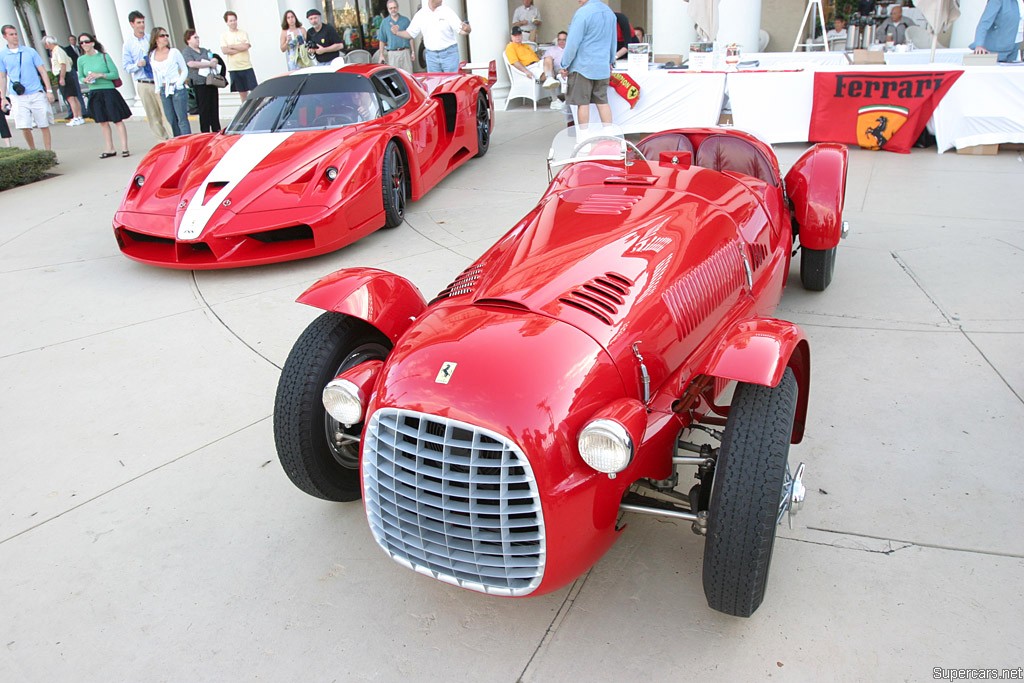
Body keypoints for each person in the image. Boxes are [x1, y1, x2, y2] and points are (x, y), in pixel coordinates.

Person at [559, 0, 616, 126]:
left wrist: (564, 64)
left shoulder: (583, 13)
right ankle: (609, 138)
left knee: (582, 104)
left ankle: (584, 140)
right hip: (602, 66)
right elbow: (613, 41)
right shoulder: (610, 13)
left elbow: (573, 43)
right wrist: (611, 61)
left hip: (583, 67)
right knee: (602, 102)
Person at [0, 25, 56, 151]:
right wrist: (3, 97)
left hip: (36, 92)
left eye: (15, 34)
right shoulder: (3, 55)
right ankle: (33, 150)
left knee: (43, 123)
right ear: (5, 37)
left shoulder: (30, 51)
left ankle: (48, 152)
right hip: (18, 95)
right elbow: (2, 77)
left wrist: (49, 90)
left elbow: (42, 71)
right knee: (24, 125)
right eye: (11, 34)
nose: (15, 36)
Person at [77, 32, 131, 158]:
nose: (84, 44)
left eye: (87, 41)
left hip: (108, 91)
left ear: (93, 42)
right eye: (81, 42)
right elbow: (80, 76)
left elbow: (115, 74)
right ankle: (110, 148)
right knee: (103, 122)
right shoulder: (81, 60)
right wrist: (85, 80)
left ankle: (124, 147)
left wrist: (100, 75)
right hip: (94, 91)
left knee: (117, 119)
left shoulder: (104, 56)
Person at [122, 11, 172, 140]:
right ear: (132, 24)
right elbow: (126, 66)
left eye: (143, 22)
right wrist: (137, 65)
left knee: (167, 113)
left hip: (158, 81)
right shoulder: (128, 44)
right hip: (143, 82)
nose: (142, 25)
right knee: (152, 115)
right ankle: (161, 142)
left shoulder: (151, 39)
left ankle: (173, 139)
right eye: (138, 22)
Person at [392, 0, 471, 73]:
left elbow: (461, 31)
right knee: (434, 84)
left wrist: (467, 29)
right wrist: (397, 33)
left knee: (451, 82)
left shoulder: (447, 11)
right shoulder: (421, 14)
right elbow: (410, 34)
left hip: (449, 54)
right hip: (431, 56)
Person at [149, 27, 190, 137]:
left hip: (176, 87)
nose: (166, 37)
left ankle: (187, 142)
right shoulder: (152, 55)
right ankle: (178, 141)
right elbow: (155, 73)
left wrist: (179, 83)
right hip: (164, 89)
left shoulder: (174, 52)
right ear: (156, 38)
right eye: (162, 35)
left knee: (182, 119)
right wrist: (158, 88)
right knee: (171, 119)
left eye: (167, 35)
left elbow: (184, 69)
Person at [182, 29, 221, 133]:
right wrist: (208, 64)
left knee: (214, 107)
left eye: (197, 37)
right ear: (188, 40)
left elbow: (213, 57)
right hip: (199, 83)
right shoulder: (187, 52)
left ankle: (216, 129)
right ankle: (205, 131)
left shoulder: (204, 50)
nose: (197, 39)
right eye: (195, 37)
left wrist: (214, 60)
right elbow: (191, 64)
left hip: (211, 81)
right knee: (204, 109)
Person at [44, 36, 84, 126]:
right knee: (73, 97)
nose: (46, 46)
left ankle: (76, 117)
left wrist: (62, 78)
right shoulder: (58, 51)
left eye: (46, 44)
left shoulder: (58, 51)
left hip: (64, 75)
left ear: (49, 43)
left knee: (71, 98)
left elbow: (63, 64)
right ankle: (79, 116)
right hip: (67, 74)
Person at [221, 11, 257, 101]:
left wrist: (232, 46)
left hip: (246, 66)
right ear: (227, 22)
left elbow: (246, 46)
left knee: (254, 91)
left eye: (234, 20)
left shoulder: (243, 33)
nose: (233, 22)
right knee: (242, 93)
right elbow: (225, 50)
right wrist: (239, 47)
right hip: (234, 68)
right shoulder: (224, 36)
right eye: (230, 21)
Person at [378, 0, 413, 72]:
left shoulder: (405, 20)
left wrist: (413, 52)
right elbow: (382, 40)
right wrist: (381, 55)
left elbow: (411, 37)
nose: (393, 10)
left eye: (394, 7)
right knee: (395, 77)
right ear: (388, 9)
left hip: (405, 52)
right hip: (392, 54)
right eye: (391, 8)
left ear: (397, 8)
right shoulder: (385, 22)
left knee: (408, 76)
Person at [544, 31, 569, 109]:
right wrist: (558, 70)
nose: (561, 42)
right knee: (548, 59)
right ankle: (554, 100)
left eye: (564, 40)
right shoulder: (552, 50)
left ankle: (567, 100)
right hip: (555, 70)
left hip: (568, 70)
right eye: (559, 39)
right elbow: (546, 62)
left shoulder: (571, 49)